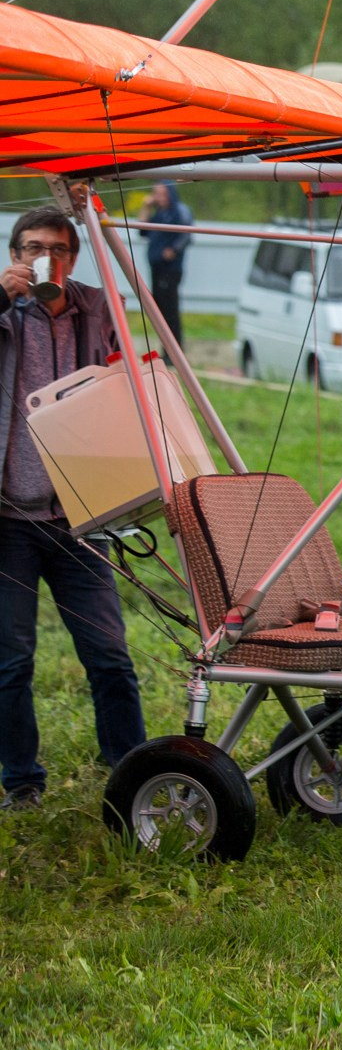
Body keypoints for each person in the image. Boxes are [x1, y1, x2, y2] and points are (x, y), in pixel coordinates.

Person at [0, 207, 143, 810]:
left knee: (110, 655)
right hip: (8, 516)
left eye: (57, 249)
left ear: (74, 258)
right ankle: (22, 783)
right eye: (32, 249)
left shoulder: (97, 306)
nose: (44, 259)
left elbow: (126, 376)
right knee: (11, 661)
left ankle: (132, 772)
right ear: (15, 255)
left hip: (81, 518)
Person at [140, 181, 191, 347]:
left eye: (162, 194)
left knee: (170, 310)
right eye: (156, 194)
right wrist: (146, 206)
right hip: (156, 267)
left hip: (171, 269)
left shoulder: (179, 211)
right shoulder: (159, 213)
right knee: (160, 310)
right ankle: (167, 348)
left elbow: (187, 235)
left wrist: (173, 250)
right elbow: (142, 231)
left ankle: (175, 348)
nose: (158, 197)